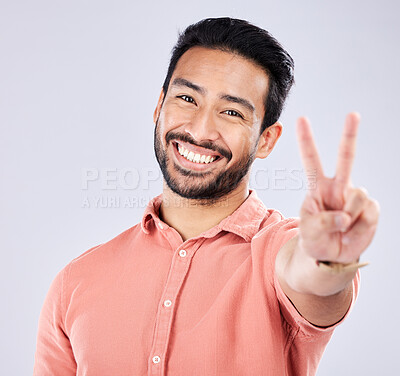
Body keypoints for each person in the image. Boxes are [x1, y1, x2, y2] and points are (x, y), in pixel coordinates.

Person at [33, 17, 380, 376]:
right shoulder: (75, 282)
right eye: (187, 98)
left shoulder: (279, 251)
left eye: (231, 112)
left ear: (266, 140)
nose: (200, 129)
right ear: (159, 106)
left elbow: (310, 279)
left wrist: (326, 260)